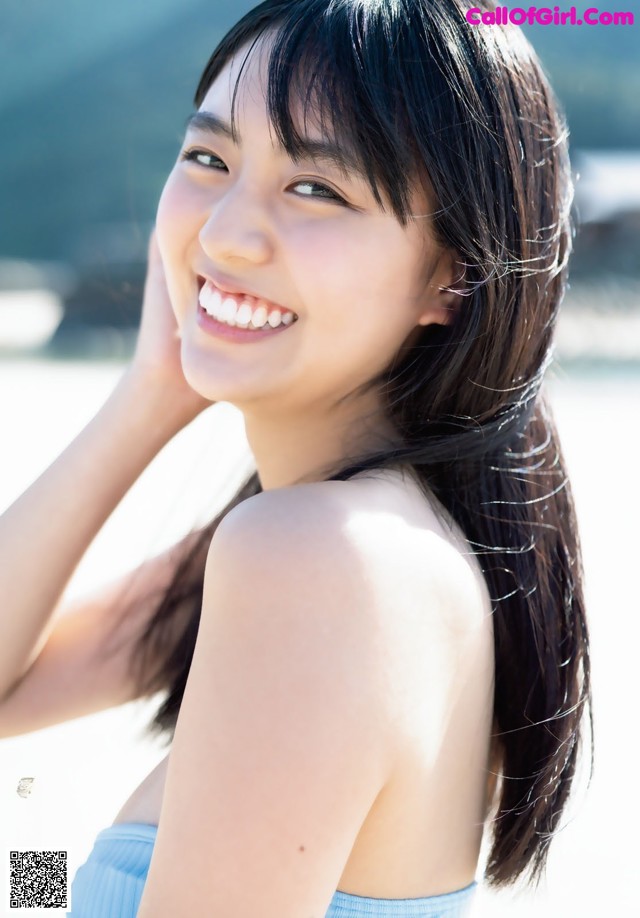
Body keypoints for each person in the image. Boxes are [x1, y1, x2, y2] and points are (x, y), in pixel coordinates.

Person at [0, 1, 592, 915]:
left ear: (455, 274)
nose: (227, 234)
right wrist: (149, 398)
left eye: (319, 188)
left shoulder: (322, 557)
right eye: (209, 159)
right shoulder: (365, 541)